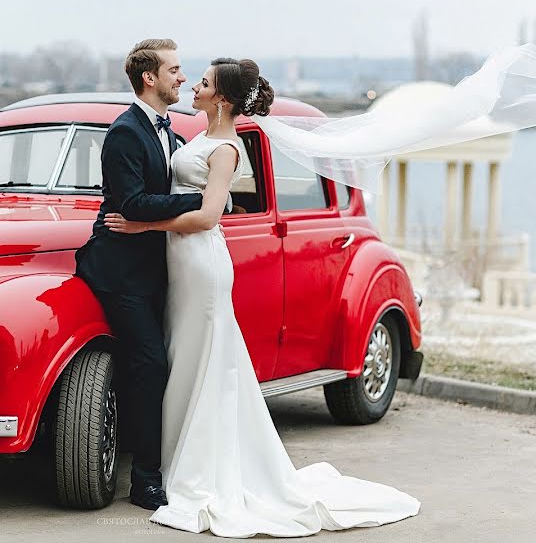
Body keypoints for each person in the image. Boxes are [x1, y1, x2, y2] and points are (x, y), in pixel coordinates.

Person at [103, 57, 422, 537]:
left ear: (223, 99)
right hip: (179, 263)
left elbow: (211, 215)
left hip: (202, 261)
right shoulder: (196, 134)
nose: (194, 83)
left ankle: (202, 470)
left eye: (205, 82)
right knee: (183, 359)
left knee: (206, 360)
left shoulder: (228, 145)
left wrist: (144, 223)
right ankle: (176, 462)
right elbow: (205, 194)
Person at [74, 38, 203, 511]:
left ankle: (153, 459)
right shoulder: (126, 132)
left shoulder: (169, 131)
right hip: (119, 270)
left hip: (156, 267)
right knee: (150, 362)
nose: (182, 77)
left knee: (157, 361)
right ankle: (145, 480)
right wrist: (202, 204)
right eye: (175, 69)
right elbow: (131, 204)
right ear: (149, 77)